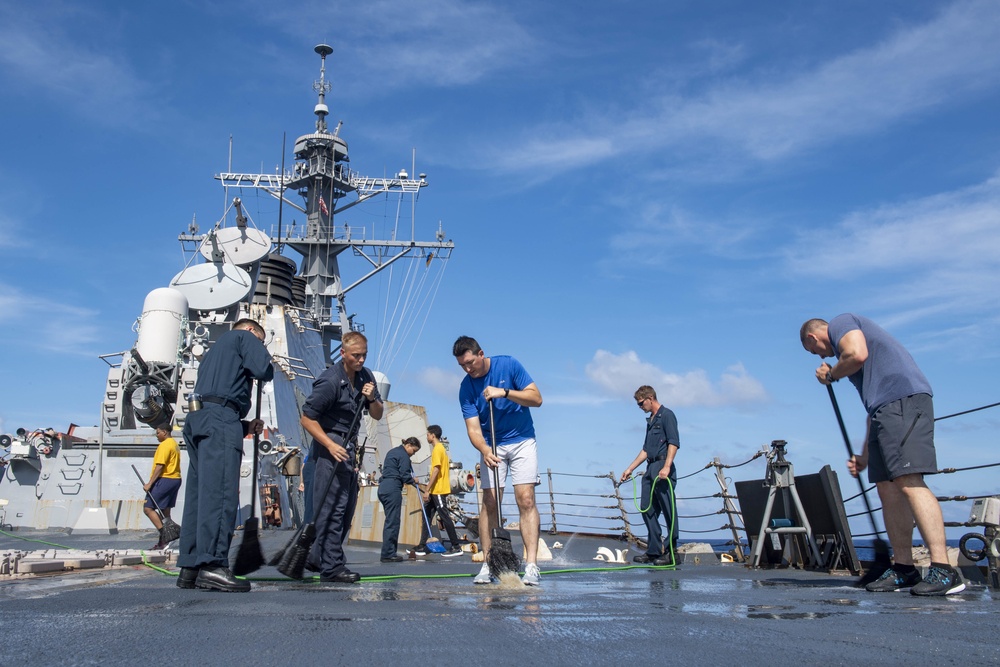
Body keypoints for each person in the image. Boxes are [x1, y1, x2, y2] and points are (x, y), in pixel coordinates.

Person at [801, 315, 964, 596]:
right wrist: (865, 454)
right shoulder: (850, 366)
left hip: (904, 400)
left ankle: (944, 569)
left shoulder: (842, 324)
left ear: (812, 339)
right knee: (888, 489)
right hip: (884, 410)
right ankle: (904, 568)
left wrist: (830, 375)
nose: (819, 355)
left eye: (813, 351)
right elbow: (872, 406)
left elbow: (857, 354)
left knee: (909, 480)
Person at [176, 318, 273, 592]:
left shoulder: (213, 352)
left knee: (199, 498)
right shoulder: (245, 338)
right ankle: (214, 565)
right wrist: (265, 353)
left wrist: (243, 426)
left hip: (201, 419)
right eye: (260, 340)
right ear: (253, 331)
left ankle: (191, 567)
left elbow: (218, 394)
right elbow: (263, 369)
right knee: (220, 495)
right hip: (221, 420)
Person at [454, 335, 543, 586]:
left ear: (481, 354)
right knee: (490, 502)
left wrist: (504, 392)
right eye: (463, 366)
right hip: (491, 445)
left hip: (522, 439)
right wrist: (484, 449)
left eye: (471, 362)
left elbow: (536, 399)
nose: (468, 369)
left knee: (525, 499)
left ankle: (532, 566)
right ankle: (487, 563)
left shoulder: (509, 365)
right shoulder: (466, 387)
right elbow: (472, 428)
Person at [300, 331, 384, 583]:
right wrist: (329, 444)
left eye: (364, 355)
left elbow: (377, 414)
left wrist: (371, 397)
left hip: (350, 444)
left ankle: (317, 557)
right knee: (332, 507)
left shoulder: (366, 377)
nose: (361, 360)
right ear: (343, 354)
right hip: (330, 443)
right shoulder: (330, 381)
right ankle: (332, 567)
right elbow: (306, 418)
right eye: (356, 356)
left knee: (346, 508)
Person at [620, 386, 680, 566]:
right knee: (646, 508)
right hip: (650, 468)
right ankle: (654, 550)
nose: (640, 407)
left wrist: (667, 466)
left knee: (669, 511)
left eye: (641, 403)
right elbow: (646, 449)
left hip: (663, 467)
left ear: (650, 398)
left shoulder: (667, 415)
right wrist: (629, 468)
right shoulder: (651, 421)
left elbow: (674, 443)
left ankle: (672, 552)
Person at [415, 425, 463, 557]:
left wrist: (427, 490)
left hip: (438, 490)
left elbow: (436, 470)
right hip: (435, 490)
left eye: (427, 434)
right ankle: (423, 545)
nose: (426, 437)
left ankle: (456, 546)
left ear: (432, 435)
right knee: (427, 516)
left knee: (444, 516)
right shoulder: (440, 449)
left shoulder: (438, 449)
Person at [377, 437, 421, 562]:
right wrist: (414, 480)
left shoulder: (392, 452)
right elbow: (405, 475)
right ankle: (388, 554)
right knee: (393, 522)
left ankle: (388, 551)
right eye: (414, 450)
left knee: (389, 521)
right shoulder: (404, 456)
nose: (413, 454)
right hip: (393, 488)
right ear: (409, 445)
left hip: (383, 487)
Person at [144, 424, 182, 549]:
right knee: (164, 511)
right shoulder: (174, 444)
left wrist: (150, 483)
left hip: (165, 479)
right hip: (175, 479)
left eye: (158, 433)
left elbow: (160, 466)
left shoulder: (165, 445)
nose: (157, 435)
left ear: (165, 432)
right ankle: (165, 541)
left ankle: (166, 535)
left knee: (148, 508)